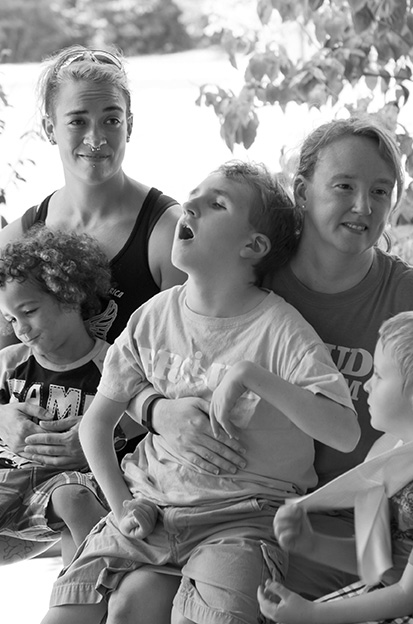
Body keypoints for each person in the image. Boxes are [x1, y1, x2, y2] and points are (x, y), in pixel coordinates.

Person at [143, 115, 413, 598]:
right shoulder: (245, 273)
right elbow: (147, 359)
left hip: (364, 524)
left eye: (380, 191)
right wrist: (157, 410)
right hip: (230, 507)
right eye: (344, 186)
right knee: (135, 600)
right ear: (303, 190)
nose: (362, 206)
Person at [41, 161, 359, 624]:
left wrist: (253, 375)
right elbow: (97, 424)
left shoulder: (281, 329)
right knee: (70, 613)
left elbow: (345, 432)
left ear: (253, 246)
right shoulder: (151, 316)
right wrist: (122, 507)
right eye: (194, 195)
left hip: (241, 522)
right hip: (148, 506)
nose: (189, 205)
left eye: (217, 203)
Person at [0, 44, 212, 562]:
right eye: (77, 121)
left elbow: (198, 373)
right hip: (26, 467)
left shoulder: (169, 234)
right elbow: (6, 351)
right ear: (50, 128)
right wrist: (5, 415)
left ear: (130, 125)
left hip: (137, 463)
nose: (96, 138)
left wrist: (100, 432)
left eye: (110, 119)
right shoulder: (21, 236)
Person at [258, 308, 413, 624]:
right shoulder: (387, 451)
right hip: (387, 594)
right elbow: (374, 561)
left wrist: (312, 614)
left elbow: (412, 595)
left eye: (378, 375)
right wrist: (309, 543)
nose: (366, 385)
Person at [0, 226, 112, 566]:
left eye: (29, 311)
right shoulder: (11, 362)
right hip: (8, 477)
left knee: (74, 496)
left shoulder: (114, 365)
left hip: (64, 487)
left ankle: (92, 586)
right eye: (10, 318)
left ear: (70, 294)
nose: (20, 328)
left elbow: (138, 421)